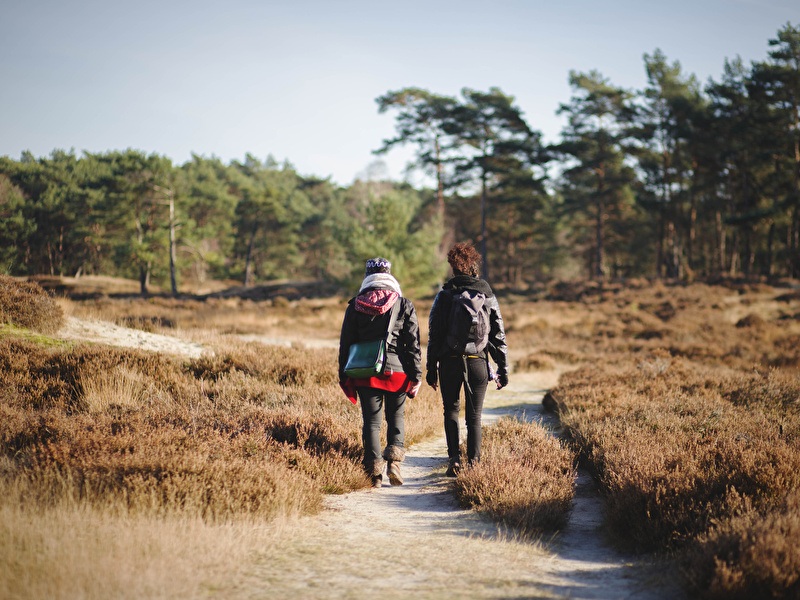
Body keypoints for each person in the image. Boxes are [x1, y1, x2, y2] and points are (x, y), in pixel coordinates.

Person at [426, 242, 508, 476]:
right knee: (475, 416)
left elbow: (435, 334)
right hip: (478, 361)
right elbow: (498, 334)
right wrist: (503, 368)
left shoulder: (444, 295)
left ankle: (454, 460)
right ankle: (475, 464)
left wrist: (431, 369)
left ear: (453, 267)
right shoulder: (486, 293)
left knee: (450, 410)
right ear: (474, 266)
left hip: (449, 361)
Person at [339, 257, 422, 488]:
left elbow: (345, 343)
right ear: (389, 274)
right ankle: (394, 464)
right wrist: (417, 375)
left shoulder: (355, 304)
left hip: (366, 373)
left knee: (372, 423)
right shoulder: (404, 304)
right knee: (396, 417)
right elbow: (413, 344)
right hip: (398, 372)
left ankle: (374, 473)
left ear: (368, 276)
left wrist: (343, 375)